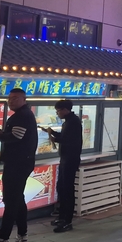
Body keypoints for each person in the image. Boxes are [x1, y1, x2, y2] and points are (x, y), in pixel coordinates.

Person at [0, 88, 38, 242]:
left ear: (23, 99)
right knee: (18, 198)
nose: (11, 101)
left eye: (15, 98)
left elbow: (16, 137)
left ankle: (2, 238)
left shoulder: (22, 116)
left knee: (11, 199)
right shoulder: (24, 115)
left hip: (17, 163)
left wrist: (0, 135)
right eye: (9, 98)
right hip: (22, 162)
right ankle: (22, 233)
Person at [44, 99, 82, 233]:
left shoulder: (74, 122)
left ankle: (67, 221)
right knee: (61, 187)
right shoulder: (68, 122)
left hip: (71, 160)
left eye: (58, 111)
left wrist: (56, 139)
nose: (58, 113)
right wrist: (53, 133)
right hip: (65, 159)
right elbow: (65, 136)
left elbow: (69, 140)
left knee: (68, 189)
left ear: (65, 109)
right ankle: (61, 217)